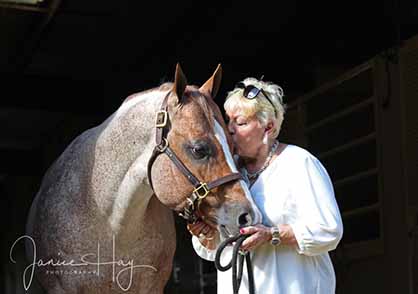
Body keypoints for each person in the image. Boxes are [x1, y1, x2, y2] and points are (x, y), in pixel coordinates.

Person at [188, 77, 344, 294]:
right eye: (228, 121)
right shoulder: (227, 175)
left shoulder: (299, 163)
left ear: (268, 127)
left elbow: (329, 231)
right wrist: (206, 234)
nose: (229, 129)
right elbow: (217, 252)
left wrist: (272, 234)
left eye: (240, 123)